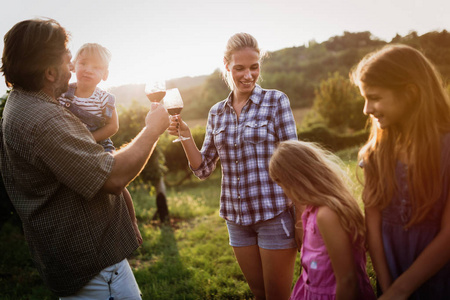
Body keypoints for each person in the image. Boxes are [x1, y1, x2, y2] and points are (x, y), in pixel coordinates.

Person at [0, 18, 169, 298]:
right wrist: (152, 130)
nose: (72, 66)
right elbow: (113, 178)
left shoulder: (24, 102)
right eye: (68, 59)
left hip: (100, 260)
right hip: (90, 268)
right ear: (51, 72)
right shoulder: (44, 119)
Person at [168, 32, 298, 300]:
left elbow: (296, 165)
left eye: (254, 67)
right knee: (259, 293)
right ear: (226, 66)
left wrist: (301, 220)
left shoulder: (276, 101)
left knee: (277, 296)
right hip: (236, 220)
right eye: (239, 68)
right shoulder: (217, 112)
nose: (248, 75)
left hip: (274, 215)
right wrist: (185, 136)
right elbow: (203, 168)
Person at [350, 44, 450, 299]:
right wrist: (388, 288)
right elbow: (373, 227)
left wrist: (403, 289)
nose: (366, 109)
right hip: (391, 275)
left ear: (411, 93)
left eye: (374, 97)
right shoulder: (374, 155)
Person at [269, 140, 376, 300]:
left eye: (281, 183)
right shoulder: (312, 210)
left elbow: (347, 281)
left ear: (297, 179)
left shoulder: (327, 215)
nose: (283, 190)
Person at [58, 43, 142, 245]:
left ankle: (132, 221)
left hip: (99, 146)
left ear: (105, 74)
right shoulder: (62, 93)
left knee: (117, 182)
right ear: (72, 66)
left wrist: (89, 139)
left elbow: (113, 127)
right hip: (70, 147)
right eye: (83, 63)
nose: (88, 69)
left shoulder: (105, 99)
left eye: (96, 67)